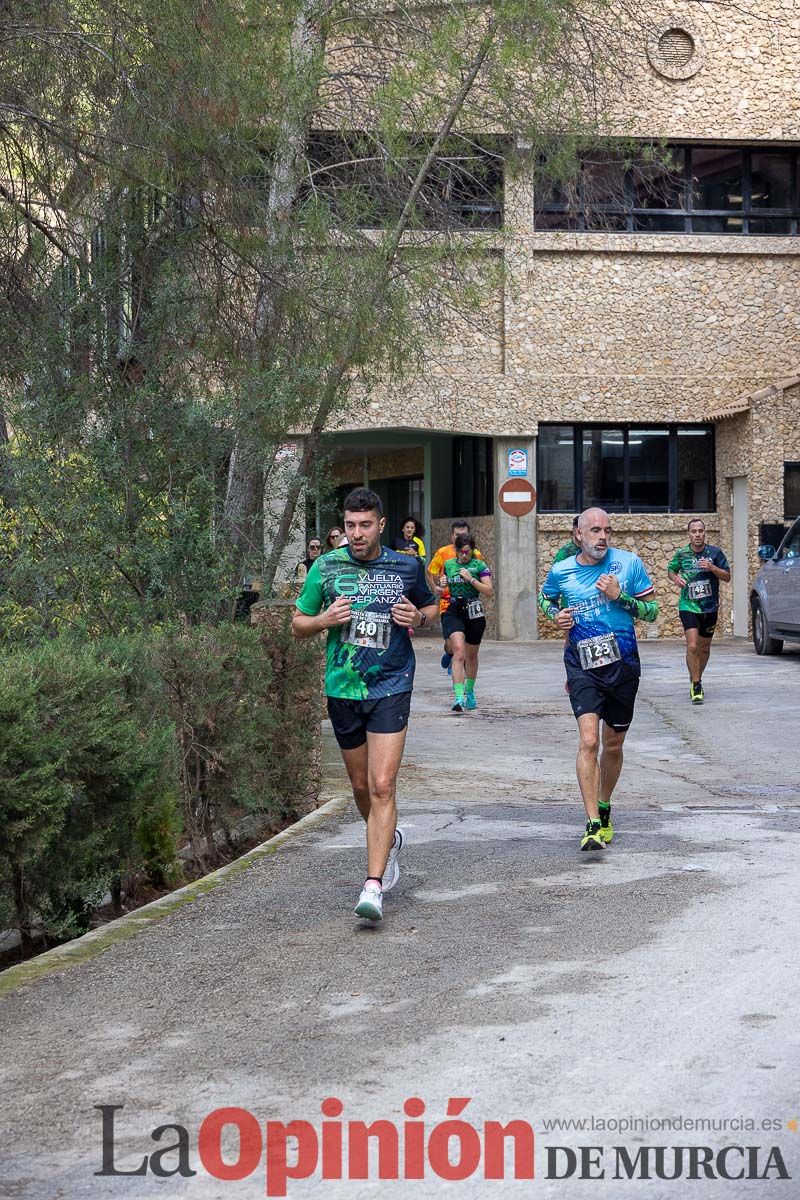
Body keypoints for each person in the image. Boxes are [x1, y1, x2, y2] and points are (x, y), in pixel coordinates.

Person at [292, 488, 437, 923]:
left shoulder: (406, 565)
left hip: (392, 684)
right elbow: (298, 623)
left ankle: (372, 885)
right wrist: (323, 620)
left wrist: (420, 619)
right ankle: (388, 840)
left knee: (381, 785)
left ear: (380, 524)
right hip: (343, 688)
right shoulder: (326, 566)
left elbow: (431, 609)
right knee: (359, 789)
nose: (356, 534)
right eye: (350, 525)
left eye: (365, 525)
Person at [538, 508, 659, 852]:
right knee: (589, 741)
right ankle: (592, 822)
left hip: (624, 667)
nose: (602, 536)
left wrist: (619, 596)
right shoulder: (562, 571)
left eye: (606, 530)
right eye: (594, 530)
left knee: (614, 744)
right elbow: (544, 598)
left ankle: (604, 804)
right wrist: (555, 615)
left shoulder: (629, 564)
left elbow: (653, 612)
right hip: (582, 666)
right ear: (578, 535)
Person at [667, 518, 730, 704]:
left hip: (709, 607)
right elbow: (671, 570)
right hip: (688, 606)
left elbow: (727, 576)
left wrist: (712, 568)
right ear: (689, 534)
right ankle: (696, 684)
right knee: (693, 646)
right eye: (694, 531)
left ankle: (696, 677)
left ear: (705, 533)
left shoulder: (715, 553)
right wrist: (675, 578)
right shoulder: (681, 554)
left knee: (704, 648)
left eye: (700, 531)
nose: (697, 534)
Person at [441, 534, 493, 711]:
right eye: (461, 552)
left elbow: (489, 590)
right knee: (459, 653)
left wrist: (471, 579)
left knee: (471, 656)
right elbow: (440, 586)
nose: (464, 556)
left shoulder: (479, 566)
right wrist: (440, 584)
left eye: (468, 552)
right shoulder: (448, 565)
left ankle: (469, 691)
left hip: (474, 612)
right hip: (455, 610)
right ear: (456, 551)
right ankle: (458, 697)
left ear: (473, 550)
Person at [428, 520, 482, 673]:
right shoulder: (443, 552)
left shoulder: (476, 554)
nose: (461, 537)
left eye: (464, 534)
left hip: (469, 604)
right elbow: (431, 571)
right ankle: (450, 652)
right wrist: (436, 587)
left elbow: (481, 575)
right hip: (448, 603)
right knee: (451, 644)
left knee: (464, 643)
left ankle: (458, 662)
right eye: (458, 535)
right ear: (452, 537)